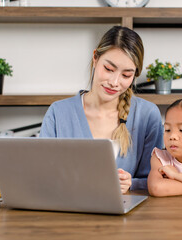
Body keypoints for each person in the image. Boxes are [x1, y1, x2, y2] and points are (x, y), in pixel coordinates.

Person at [40, 26, 164, 193]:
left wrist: (131, 183)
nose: (114, 82)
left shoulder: (148, 115)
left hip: (127, 215)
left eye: (126, 75)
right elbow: (43, 176)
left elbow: (153, 180)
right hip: (68, 212)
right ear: (95, 58)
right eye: (109, 69)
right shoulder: (58, 112)